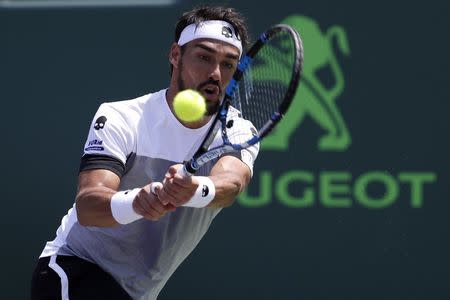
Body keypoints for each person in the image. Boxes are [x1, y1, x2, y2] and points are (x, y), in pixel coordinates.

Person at [30, 5, 259, 300]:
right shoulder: (121, 116)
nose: (215, 73)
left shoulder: (239, 132)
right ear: (175, 55)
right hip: (76, 268)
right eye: (204, 57)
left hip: (137, 293)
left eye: (228, 64)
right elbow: (88, 206)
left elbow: (230, 186)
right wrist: (137, 202)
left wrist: (193, 189)